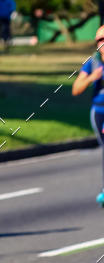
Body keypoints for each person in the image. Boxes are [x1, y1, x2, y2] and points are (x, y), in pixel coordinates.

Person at [72, 25, 104, 205]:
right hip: (99, 112)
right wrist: (92, 78)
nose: (103, 43)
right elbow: (76, 89)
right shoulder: (93, 63)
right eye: (100, 40)